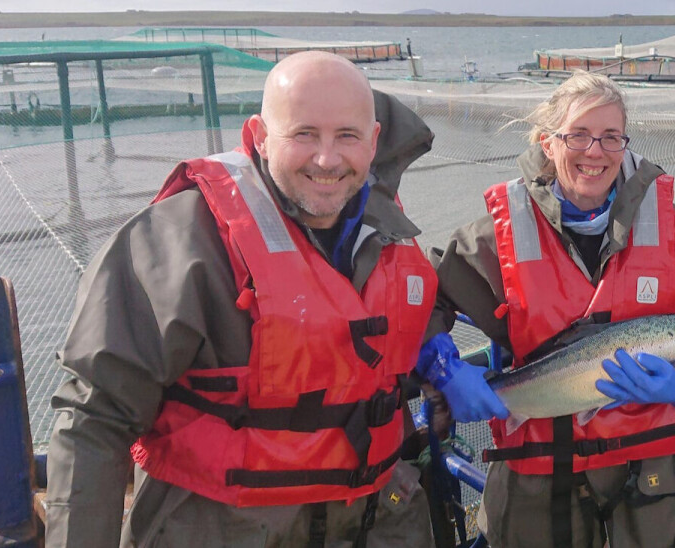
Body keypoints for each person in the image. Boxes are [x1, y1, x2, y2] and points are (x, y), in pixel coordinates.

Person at [45, 51, 438, 548]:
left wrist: (438, 359)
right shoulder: (179, 241)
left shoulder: (388, 233)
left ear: (374, 140)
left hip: (370, 521)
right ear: (258, 134)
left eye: (347, 135)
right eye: (304, 134)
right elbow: (93, 417)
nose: (326, 159)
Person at [417, 71, 675, 547]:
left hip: (660, 475)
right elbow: (417, 296)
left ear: (626, 144)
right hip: (540, 477)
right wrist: (443, 366)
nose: (595, 151)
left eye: (611, 137)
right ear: (548, 144)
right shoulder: (494, 236)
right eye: (578, 135)